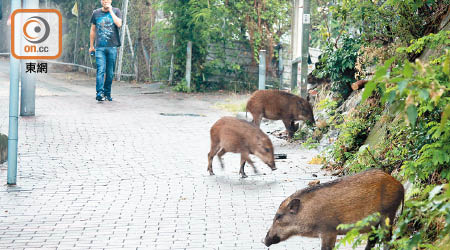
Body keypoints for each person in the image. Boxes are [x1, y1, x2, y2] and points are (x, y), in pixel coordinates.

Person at [89, 0, 122, 101]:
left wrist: (111, 11)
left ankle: (107, 93)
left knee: (110, 72)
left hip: (112, 46)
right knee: (101, 70)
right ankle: (99, 93)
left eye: (107, 0)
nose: (105, 1)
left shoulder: (116, 11)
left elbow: (119, 24)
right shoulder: (96, 13)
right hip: (100, 47)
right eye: (103, 0)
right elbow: (93, 30)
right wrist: (91, 46)